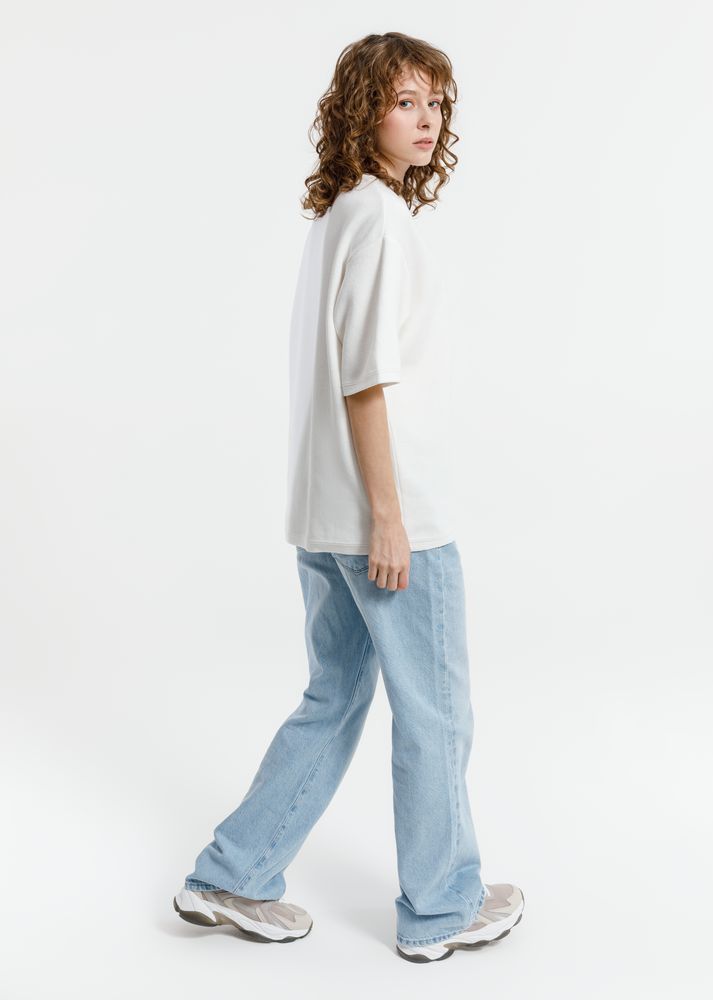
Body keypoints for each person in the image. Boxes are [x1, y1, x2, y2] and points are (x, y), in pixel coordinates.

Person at [173, 31, 524, 963]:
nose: (426, 119)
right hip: (385, 520)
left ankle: (231, 873)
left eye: (435, 103)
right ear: (364, 111)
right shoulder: (376, 221)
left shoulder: (339, 216)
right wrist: (390, 519)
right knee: (436, 711)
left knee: (334, 696)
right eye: (405, 101)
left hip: (326, 517)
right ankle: (442, 908)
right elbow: (366, 381)